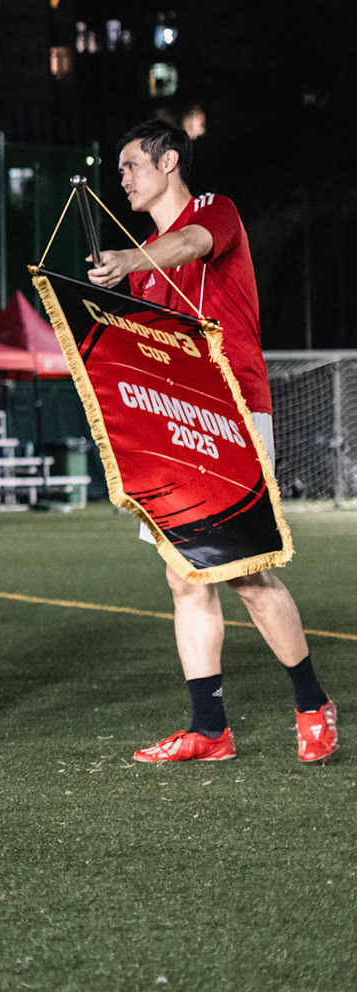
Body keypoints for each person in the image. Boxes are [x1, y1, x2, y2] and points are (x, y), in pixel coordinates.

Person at [88, 120, 337, 763]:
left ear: (169, 160)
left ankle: (312, 704)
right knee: (184, 579)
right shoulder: (142, 262)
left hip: (233, 411)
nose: (122, 178)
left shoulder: (213, 211)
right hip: (175, 423)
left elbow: (192, 244)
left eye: (131, 164)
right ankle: (209, 730)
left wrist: (131, 260)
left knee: (247, 574)